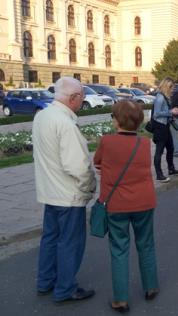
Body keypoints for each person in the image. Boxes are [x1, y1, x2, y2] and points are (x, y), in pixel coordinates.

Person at [32, 77, 96, 303]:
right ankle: (65, 288)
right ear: (73, 98)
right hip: (68, 195)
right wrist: (90, 186)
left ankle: (45, 281)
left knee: (50, 238)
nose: (83, 101)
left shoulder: (42, 116)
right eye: (82, 97)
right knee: (70, 242)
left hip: (49, 191)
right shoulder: (66, 124)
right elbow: (78, 166)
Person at [94, 101, 159, 312]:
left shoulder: (106, 142)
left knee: (119, 249)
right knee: (146, 243)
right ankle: (151, 287)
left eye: (113, 116)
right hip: (144, 201)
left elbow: (98, 163)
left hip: (117, 204)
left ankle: (121, 299)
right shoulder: (145, 143)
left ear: (118, 120)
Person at [152, 77, 178, 182]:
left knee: (170, 148)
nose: (173, 89)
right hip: (160, 127)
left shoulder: (165, 97)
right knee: (159, 151)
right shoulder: (160, 97)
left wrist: (173, 111)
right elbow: (156, 114)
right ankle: (159, 174)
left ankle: (171, 169)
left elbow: (165, 111)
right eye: (172, 87)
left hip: (165, 126)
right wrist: (170, 112)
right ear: (167, 86)